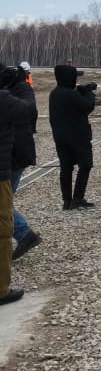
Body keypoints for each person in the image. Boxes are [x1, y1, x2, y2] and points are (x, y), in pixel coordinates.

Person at [0, 64, 41, 260]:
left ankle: (24, 234)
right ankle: (24, 234)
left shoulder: (17, 92)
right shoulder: (12, 92)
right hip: (13, 154)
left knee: (3, 203)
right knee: (4, 202)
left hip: (14, 156)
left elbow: (30, 111)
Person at [1, 69, 33, 305]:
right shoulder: (4, 99)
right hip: (3, 168)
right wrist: (23, 85)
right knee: (3, 223)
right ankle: (1, 289)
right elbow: (28, 110)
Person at [49, 64, 97, 211]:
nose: (76, 79)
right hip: (78, 136)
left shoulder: (54, 94)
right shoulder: (71, 94)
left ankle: (67, 201)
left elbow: (72, 106)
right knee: (85, 165)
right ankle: (77, 198)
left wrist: (80, 92)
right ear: (69, 78)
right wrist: (89, 93)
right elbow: (87, 107)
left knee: (66, 168)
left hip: (60, 137)